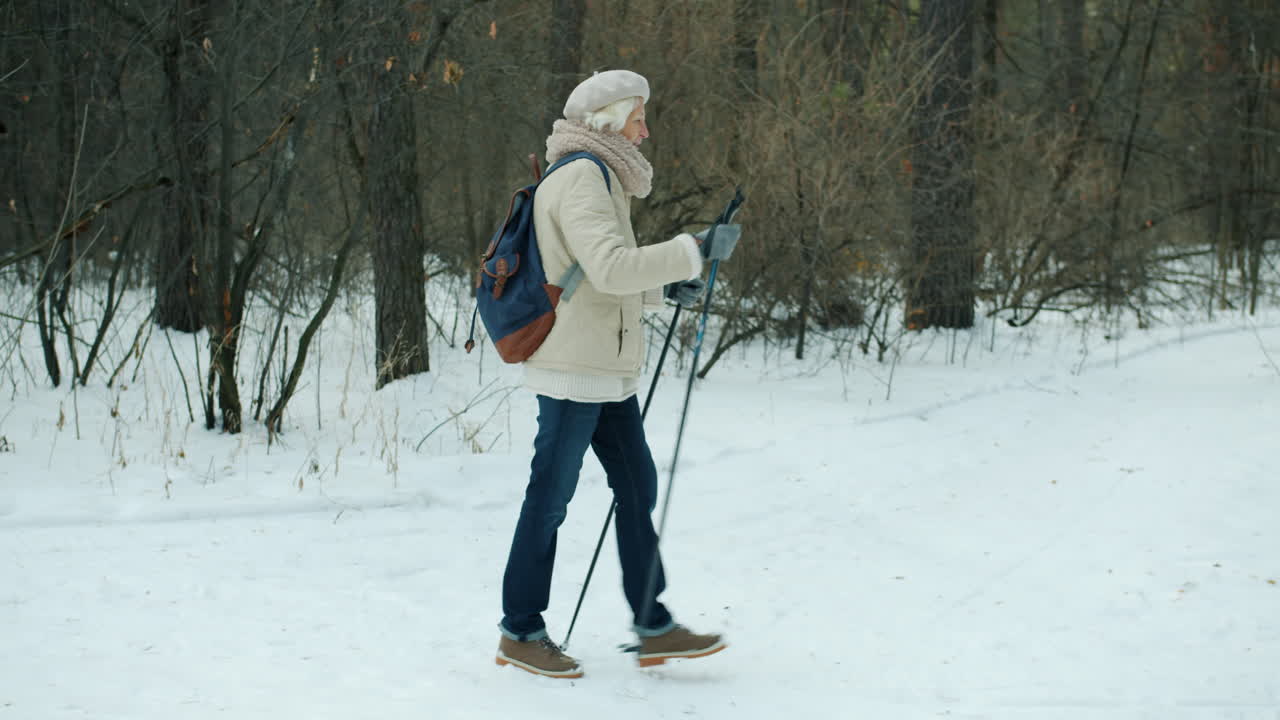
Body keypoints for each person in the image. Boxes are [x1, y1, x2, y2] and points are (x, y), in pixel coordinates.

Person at [494, 70, 737, 679]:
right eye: (638, 119)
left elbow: (592, 277)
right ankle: (520, 631)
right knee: (550, 499)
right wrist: (692, 250)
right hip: (574, 370)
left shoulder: (601, 175)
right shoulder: (581, 176)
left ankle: (653, 624)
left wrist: (665, 287)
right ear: (607, 119)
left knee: (636, 487)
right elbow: (607, 268)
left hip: (604, 367)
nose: (645, 131)